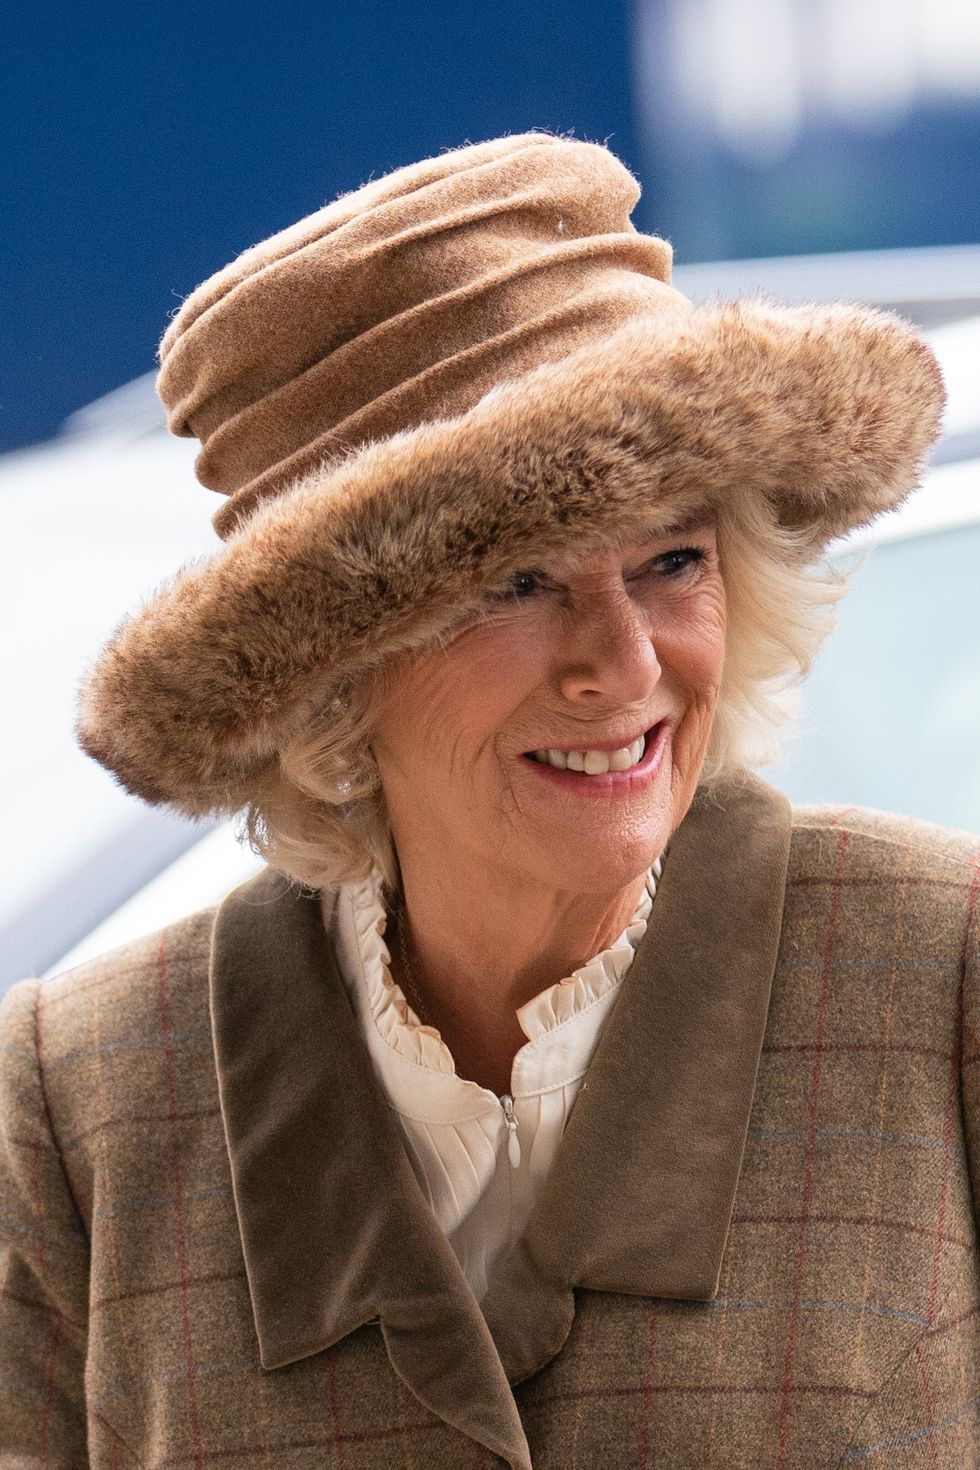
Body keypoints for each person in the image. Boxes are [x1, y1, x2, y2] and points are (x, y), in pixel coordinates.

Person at [1, 131, 977, 1470]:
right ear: (334, 673)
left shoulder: (942, 972)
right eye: (516, 584)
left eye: (672, 559)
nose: (624, 665)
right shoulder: (79, 1106)